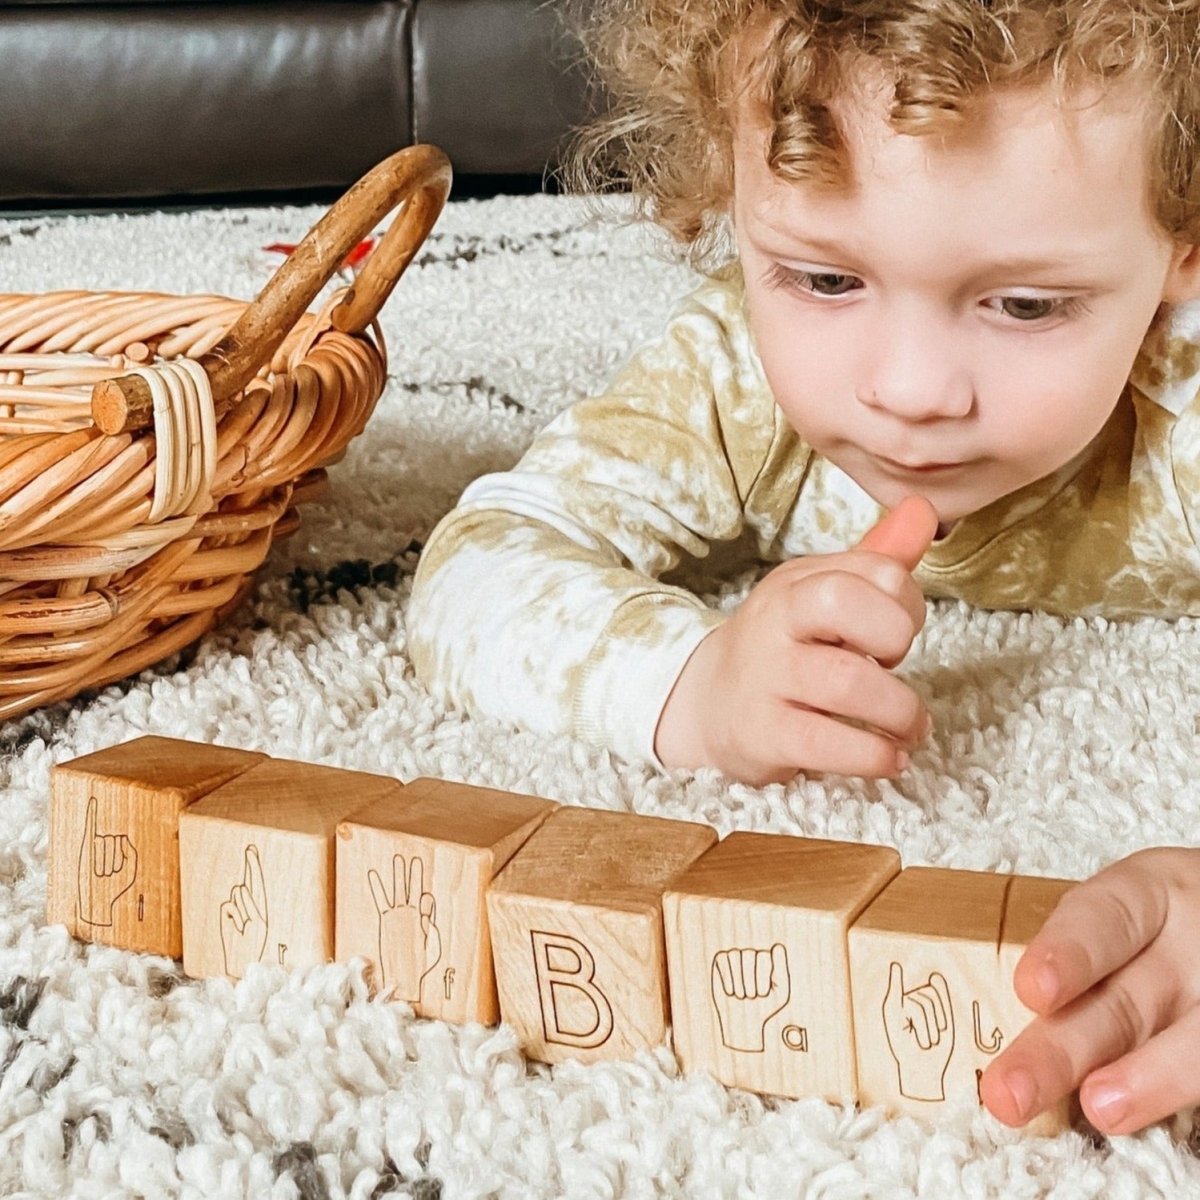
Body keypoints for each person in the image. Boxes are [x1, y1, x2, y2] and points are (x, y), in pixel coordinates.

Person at [407, 0, 1200, 1136]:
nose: (913, 388)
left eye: (1026, 304)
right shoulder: (734, 371)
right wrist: (693, 683)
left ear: (1183, 248)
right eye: (825, 281)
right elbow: (477, 566)